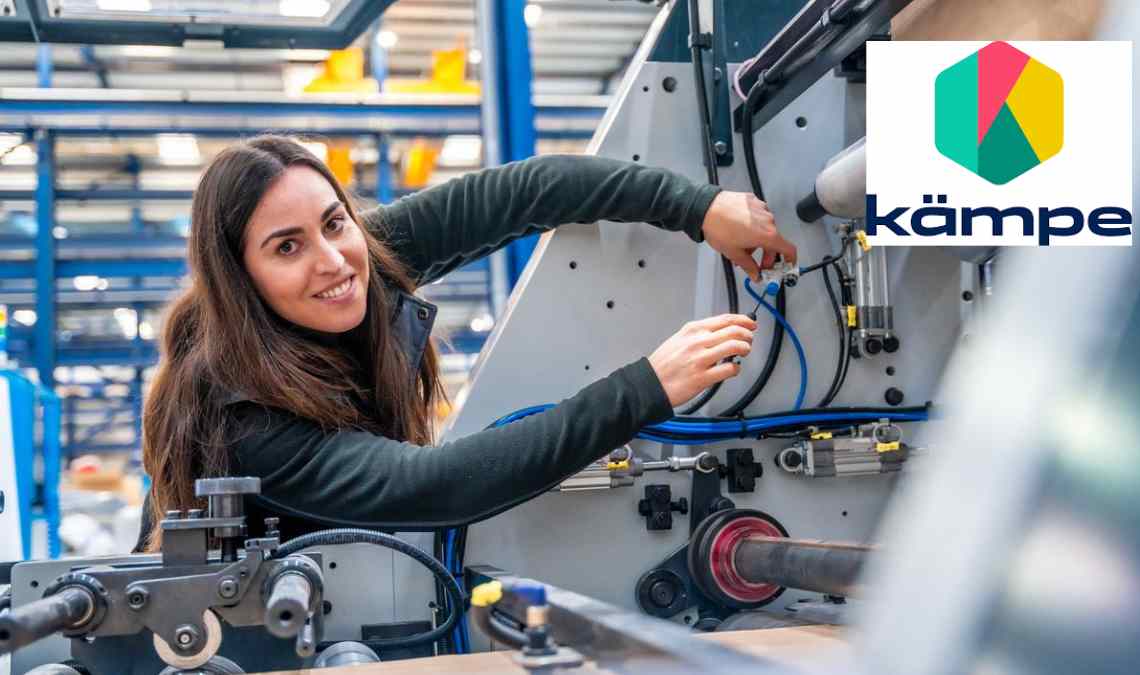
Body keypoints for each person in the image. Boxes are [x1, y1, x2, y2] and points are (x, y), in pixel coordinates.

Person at [136, 135, 795, 550]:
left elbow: (515, 193)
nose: (333, 259)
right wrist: (646, 386)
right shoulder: (240, 422)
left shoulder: (364, 254)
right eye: (287, 247)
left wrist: (696, 207)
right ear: (239, 279)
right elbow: (438, 486)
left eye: (334, 222)